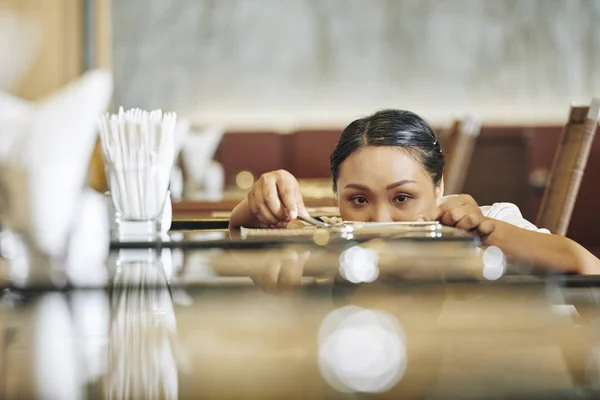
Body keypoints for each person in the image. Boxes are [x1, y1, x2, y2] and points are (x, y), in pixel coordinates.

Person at [229, 109, 600, 274]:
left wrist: (484, 231)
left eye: (402, 198)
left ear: (439, 188)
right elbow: (236, 233)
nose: (379, 219)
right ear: (336, 195)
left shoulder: (489, 222)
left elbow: (588, 267)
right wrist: (258, 200)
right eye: (358, 199)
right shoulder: (331, 235)